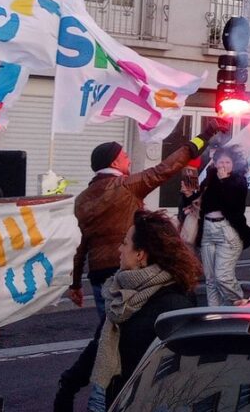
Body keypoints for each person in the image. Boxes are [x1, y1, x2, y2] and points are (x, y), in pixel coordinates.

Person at [53, 210, 200, 412]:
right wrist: (68, 384)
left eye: (124, 243)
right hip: (116, 398)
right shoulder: (122, 294)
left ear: (140, 254)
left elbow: (179, 371)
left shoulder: (174, 304)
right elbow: (101, 343)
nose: (119, 249)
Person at [68, 125, 217, 314]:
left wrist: (75, 284)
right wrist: (205, 134)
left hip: (98, 274)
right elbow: (166, 168)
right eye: (124, 156)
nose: (129, 159)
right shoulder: (127, 186)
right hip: (130, 267)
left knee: (109, 324)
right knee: (135, 322)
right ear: (114, 163)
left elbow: (79, 247)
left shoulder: (81, 199)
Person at [191, 146, 250, 305]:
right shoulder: (210, 178)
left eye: (227, 162)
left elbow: (234, 206)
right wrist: (191, 197)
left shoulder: (238, 180)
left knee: (223, 277)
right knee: (210, 280)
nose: (224, 165)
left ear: (233, 164)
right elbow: (203, 201)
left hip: (227, 230)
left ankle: (240, 305)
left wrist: (224, 181)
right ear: (215, 163)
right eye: (220, 162)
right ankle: (213, 313)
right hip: (208, 229)